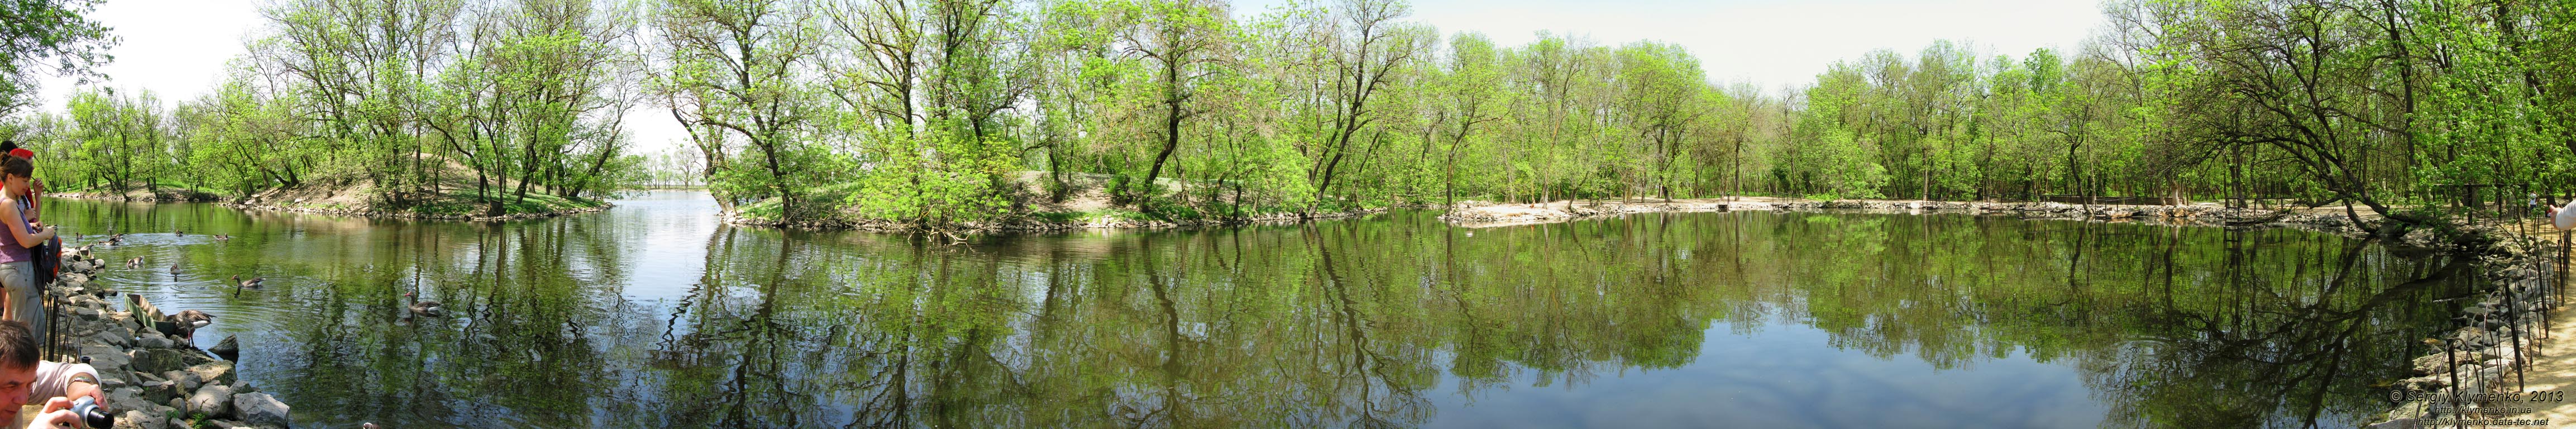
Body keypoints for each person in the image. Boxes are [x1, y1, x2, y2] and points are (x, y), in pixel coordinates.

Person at [0, 321, 103, 428]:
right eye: (12, 387)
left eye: (28, 385)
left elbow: (73, 371)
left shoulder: (18, 378)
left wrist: (81, 388)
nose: (23, 400)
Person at [0, 156, 52, 342]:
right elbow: (25, 242)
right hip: (18, 268)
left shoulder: (7, 202)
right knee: (25, 329)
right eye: (24, 180)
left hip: (13, 268)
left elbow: (16, 233)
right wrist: (46, 234)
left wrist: (32, 228)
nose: (27, 185)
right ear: (11, 178)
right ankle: (21, 368)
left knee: (20, 324)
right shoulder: (8, 204)